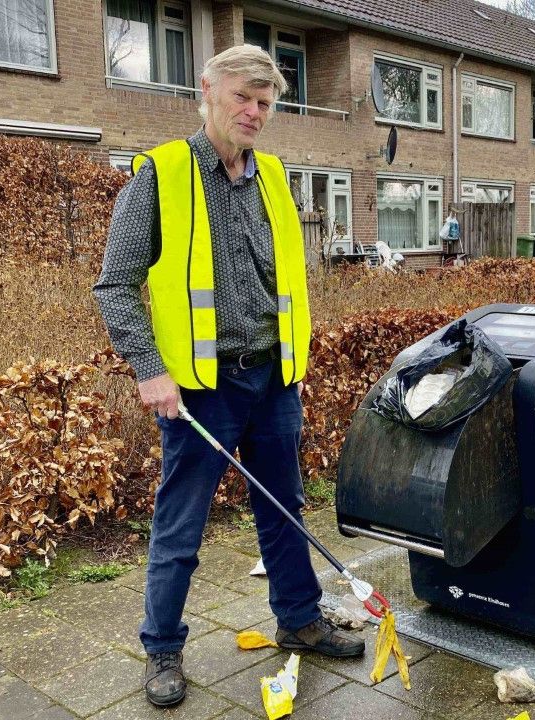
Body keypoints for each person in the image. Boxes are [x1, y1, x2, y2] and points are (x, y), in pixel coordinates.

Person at [93, 44, 364, 709]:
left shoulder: (273, 175)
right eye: (243, 96)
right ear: (207, 90)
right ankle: (162, 647)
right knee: (181, 525)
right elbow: (115, 285)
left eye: (264, 102)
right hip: (202, 391)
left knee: (284, 509)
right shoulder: (160, 175)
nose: (253, 112)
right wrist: (150, 370)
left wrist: (292, 364)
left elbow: (286, 281)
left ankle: (298, 620)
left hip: (272, 380)